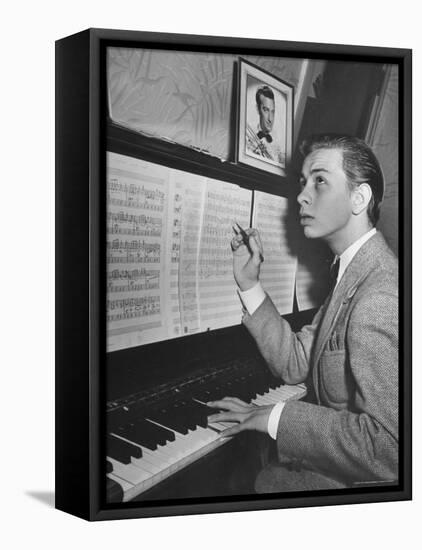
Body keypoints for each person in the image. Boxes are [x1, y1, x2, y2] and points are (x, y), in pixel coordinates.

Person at [208, 135, 398, 492]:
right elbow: (297, 362)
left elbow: (389, 447)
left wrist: (276, 416)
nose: (302, 195)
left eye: (320, 180)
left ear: (360, 198)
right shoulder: (354, 275)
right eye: (303, 182)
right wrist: (249, 283)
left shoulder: (379, 296)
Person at [246, 85, 284, 164]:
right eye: (266, 110)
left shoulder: (279, 141)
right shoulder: (247, 135)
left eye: (272, 111)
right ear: (258, 109)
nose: (270, 119)